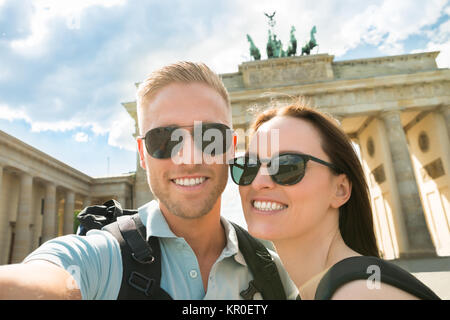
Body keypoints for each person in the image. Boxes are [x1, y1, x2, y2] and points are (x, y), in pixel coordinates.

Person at [0, 61, 298, 300]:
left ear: (231, 147)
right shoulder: (101, 259)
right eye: (164, 139)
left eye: (210, 137)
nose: (189, 158)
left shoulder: (277, 275)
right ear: (143, 154)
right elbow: (43, 279)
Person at [230, 103, 441, 300]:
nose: (259, 181)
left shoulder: (358, 293)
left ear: (340, 190)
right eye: (248, 166)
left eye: (287, 166)